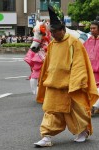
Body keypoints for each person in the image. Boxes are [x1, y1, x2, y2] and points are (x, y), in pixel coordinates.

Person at [34, 5, 98, 147]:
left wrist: (76, 82)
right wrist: (43, 80)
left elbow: (79, 64)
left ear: (63, 30)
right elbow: (47, 65)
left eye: (56, 32)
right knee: (50, 111)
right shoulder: (52, 45)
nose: (54, 35)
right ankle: (46, 137)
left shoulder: (74, 42)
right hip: (53, 84)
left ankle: (82, 131)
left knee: (76, 111)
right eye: (52, 32)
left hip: (69, 85)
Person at [83, 16, 99, 115]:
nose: (92, 30)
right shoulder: (88, 41)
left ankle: (94, 107)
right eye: (91, 28)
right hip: (90, 71)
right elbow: (81, 51)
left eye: (94, 28)